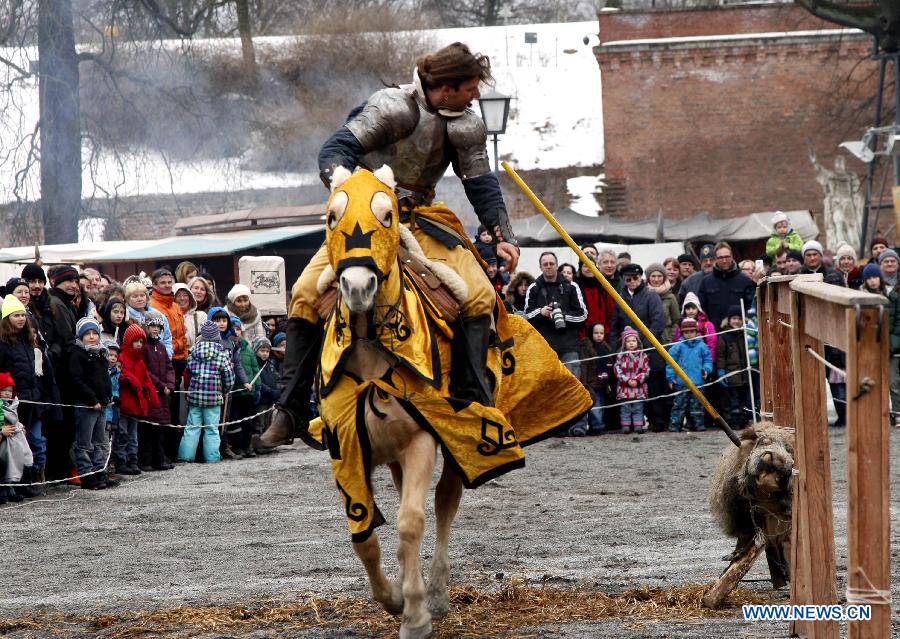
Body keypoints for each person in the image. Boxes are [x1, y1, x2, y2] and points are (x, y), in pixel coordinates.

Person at [261, 41, 521, 450]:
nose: (476, 95)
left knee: (478, 297)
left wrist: (502, 234)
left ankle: (470, 405)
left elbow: (480, 183)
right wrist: (356, 197)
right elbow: (335, 151)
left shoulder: (467, 124)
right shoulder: (394, 107)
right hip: (365, 222)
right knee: (305, 295)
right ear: (448, 87)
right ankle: (291, 410)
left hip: (419, 221)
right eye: (471, 87)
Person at [610, 263, 666, 431]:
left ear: (640, 277)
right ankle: (628, 424)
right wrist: (616, 348)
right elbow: (615, 325)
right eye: (628, 279)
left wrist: (643, 345)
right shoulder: (620, 297)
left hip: (648, 350)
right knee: (626, 389)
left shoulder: (651, 296)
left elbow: (658, 322)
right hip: (625, 353)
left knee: (653, 387)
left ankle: (658, 422)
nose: (632, 281)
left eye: (635, 278)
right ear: (624, 279)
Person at [0, 295, 43, 497]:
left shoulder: (27, 341)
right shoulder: (3, 343)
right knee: (12, 445)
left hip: (29, 397)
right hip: (11, 401)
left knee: (28, 443)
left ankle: (27, 482)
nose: (20, 319)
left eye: (22, 315)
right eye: (16, 315)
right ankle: (13, 485)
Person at [68, 317, 118, 490]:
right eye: (87, 334)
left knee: (99, 442)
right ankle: (87, 476)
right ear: (80, 336)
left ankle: (99, 472)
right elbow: (76, 380)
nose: (91, 337)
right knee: (84, 443)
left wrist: (108, 397)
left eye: (94, 333)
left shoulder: (100, 354)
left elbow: (105, 379)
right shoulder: (77, 354)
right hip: (86, 405)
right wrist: (92, 400)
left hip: (102, 406)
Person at [178, 321, 235, 463]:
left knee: (192, 427)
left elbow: (189, 371)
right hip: (213, 397)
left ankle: (186, 457)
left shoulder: (193, 353)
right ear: (217, 336)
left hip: (195, 396)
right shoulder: (221, 354)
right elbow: (229, 377)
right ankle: (212, 458)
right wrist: (226, 389)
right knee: (212, 429)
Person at [524, 251, 588, 377]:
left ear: (557, 265)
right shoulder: (533, 288)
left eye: (551, 263)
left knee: (571, 388)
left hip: (568, 347)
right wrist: (541, 312)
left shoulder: (572, 286)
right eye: (545, 264)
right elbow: (526, 316)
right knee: (545, 389)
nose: (548, 266)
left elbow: (583, 315)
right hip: (542, 348)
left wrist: (563, 316)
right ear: (540, 267)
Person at [115, 324, 159, 476]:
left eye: (141, 342)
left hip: (136, 405)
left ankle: (132, 460)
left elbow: (147, 381)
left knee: (133, 435)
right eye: (136, 341)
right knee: (122, 434)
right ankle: (121, 460)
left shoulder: (140, 361)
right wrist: (131, 380)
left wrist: (153, 399)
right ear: (129, 341)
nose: (139, 345)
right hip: (124, 404)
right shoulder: (121, 358)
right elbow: (118, 376)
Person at [666, 317, 712, 432]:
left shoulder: (702, 346)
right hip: (681, 383)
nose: (689, 334)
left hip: (698, 383)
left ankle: (698, 425)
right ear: (682, 333)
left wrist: (706, 369)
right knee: (678, 406)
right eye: (686, 332)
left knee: (697, 406)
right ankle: (675, 426)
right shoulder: (677, 347)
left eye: (692, 331)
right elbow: (670, 362)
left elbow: (708, 360)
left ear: (696, 332)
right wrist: (671, 377)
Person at [697, 242, 756, 329]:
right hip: (715, 333)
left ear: (732, 256)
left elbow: (750, 307)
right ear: (716, 259)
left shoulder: (745, 281)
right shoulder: (706, 282)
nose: (724, 260)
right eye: (720, 257)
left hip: (739, 333)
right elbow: (702, 309)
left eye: (727, 257)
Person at [0, 372, 32, 503]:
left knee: (14, 463)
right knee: (5, 464)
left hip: (12, 439)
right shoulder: (1, 408)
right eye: (4, 390)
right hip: (3, 441)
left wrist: (19, 426)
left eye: (10, 390)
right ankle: (3, 491)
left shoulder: (12, 405)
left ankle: (11, 490)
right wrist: (1, 431)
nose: (7, 393)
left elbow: (15, 420)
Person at [716, 306, 750, 427]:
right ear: (729, 320)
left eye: (739, 318)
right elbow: (720, 356)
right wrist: (720, 370)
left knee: (745, 401)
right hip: (732, 375)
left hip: (745, 375)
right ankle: (734, 422)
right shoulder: (724, 336)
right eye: (734, 318)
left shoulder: (746, 334)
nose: (737, 321)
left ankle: (744, 420)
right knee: (733, 402)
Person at [614, 326, 648, 434]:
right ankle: (626, 425)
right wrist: (627, 380)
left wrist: (637, 380)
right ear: (624, 343)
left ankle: (638, 425)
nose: (631, 343)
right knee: (625, 408)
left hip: (638, 388)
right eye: (628, 341)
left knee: (638, 408)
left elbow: (645, 370)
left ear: (638, 342)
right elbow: (617, 369)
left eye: (634, 341)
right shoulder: (620, 356)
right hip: (625, 389)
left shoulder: (643, 356)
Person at [575, 244, 615, 340]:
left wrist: (607, 332)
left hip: (602, 335)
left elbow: (610, 313)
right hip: (583, 337)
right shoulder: (575, 287)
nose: (589, 268)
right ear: (580, 268)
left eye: (591, 265)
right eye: (585, 265)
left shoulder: (603, 286)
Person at [674, 292, 718, 363]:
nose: (691, 311)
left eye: (693, 308)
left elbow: (712, 344)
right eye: (688, 308)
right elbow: (676, 344)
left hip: (702, 361)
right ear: (684, 310)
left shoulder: (707, 325)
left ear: (698, 308)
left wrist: (708, 362)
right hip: (685, 363)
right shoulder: (680, 326)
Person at [586, 322, 613, 434]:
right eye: (596, 333)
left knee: (601, 405)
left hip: (603, 382)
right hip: (592, 382)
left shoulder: (606, 348)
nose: (599, 335)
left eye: (601, 333)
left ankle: (598, 425)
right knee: (595, 405)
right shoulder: (588, 348)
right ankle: (597, 426)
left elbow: (610, 363)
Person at [252, 336, 280, 440]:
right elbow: (257, 381)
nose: (265, 353)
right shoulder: (255, 364)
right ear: (256, 350)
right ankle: (258, 442)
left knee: (268, 421)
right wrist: (269, 391)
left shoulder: (270, 364)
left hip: (270, 399)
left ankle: (266, 442)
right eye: (262, 350)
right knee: (259, 423)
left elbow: (277, 378)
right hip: (261, 400)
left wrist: (278, 390)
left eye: (267, 351)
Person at [645, 263, 679, 344]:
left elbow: (676, 321)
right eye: (653, 276)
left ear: (664, 278)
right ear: (648, 278)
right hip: (648, 340)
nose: (656, 279)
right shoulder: (643, 296)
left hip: (666, 340)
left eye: (659, 276)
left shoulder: (670, 297)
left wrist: (670, 338)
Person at [173, 283, 207, 350]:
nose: (182, 298)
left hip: (197, 356)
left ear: (190, 298)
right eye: (178, 296)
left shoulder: (201, 316)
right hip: (176, 357)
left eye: (185, 295)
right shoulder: (168, 317)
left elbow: (205, 338)